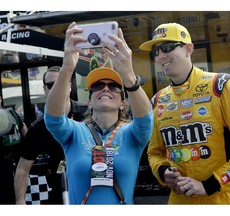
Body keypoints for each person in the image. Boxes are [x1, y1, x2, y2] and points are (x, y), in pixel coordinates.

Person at [139, 23, 230, 204]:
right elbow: (154, 153)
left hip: (217, 200)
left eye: (167, 47)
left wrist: (210, 185)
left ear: (188, 49)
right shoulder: (158, 100)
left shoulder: (222, 85)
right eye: (156, 51)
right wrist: (162, 171)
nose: (161, 55)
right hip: (177, 202)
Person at [44, 22, 153, 204]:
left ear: (123, 103)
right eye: (97, 86)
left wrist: (128, 74)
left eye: (114, 87)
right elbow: (53, 118)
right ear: (89, 101)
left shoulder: (131, 134)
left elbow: (146, 119)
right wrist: (67, 67)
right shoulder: (75, 131)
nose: (105, 89)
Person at [14, 66, 87, 205]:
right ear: (45, 89)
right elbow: (22, 168)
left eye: (61, 82)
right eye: (51, 85)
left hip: (94, 188)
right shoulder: (38, 127)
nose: (56, 88)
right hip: (59, 191)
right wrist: (20, 201)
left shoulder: (89, 113)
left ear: (70, 87)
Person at [0, 95, 28, 204]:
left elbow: (23, 128)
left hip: (17, 162)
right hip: (2, 165)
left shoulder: (11, 112)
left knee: (19, 196)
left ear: (1, 98)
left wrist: (29, 146)